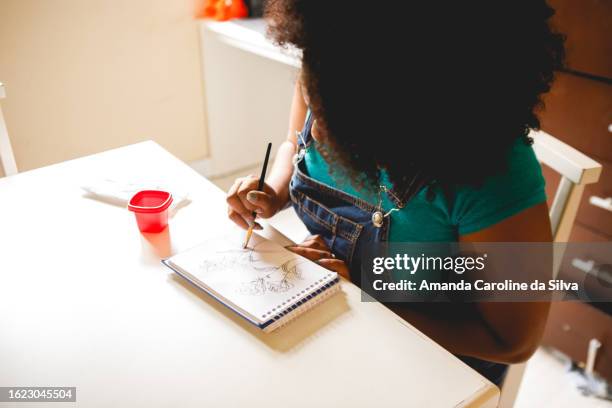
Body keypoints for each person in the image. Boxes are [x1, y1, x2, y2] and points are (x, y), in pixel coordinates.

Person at [226, 0, 565, 385]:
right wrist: (275, 188)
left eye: (335, 117)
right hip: (331, 328)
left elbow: (512, 340)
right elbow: (294, 143)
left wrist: (357, 296)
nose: (317, 133)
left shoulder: (493, 172)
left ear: (400, 105)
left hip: (431, 370)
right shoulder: (327, 67)